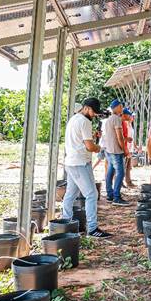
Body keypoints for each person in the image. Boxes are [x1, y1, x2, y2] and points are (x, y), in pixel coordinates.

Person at [62, 98, 112, 238]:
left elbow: (81, 140)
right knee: (91, 194)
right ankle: (92, 228)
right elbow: (89, 146)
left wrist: (93, 138)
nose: (94, 115)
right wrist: (99, 148)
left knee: (70, 194)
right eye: (93, 112)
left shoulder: (74, 119)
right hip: (80, 162)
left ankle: (65, 223)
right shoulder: (85, 121)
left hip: (72, 162)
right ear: (86, 108)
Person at [103, 100, 128, 206]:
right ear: (116, 107)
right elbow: (119, 136)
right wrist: (124, 149)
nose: (122, 108)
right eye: (121, 106)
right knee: (120, 173)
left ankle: (110, 195)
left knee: (110, 172)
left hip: (108, 149)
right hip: (115, 150)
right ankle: (116, 198)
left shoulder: (109, 119)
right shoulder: (117, 119)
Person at [122, 108, 135, 188]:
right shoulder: (125, 124)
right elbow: (124, 137)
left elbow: (132, 138)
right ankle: (121, 182)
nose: (133, 118)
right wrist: (126, 149)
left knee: (128, 167)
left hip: (130, 148)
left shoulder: (130, 125)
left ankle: (128, 181)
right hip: (126, 148)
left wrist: (135, 146)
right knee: (123, 166)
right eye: (132, 116)